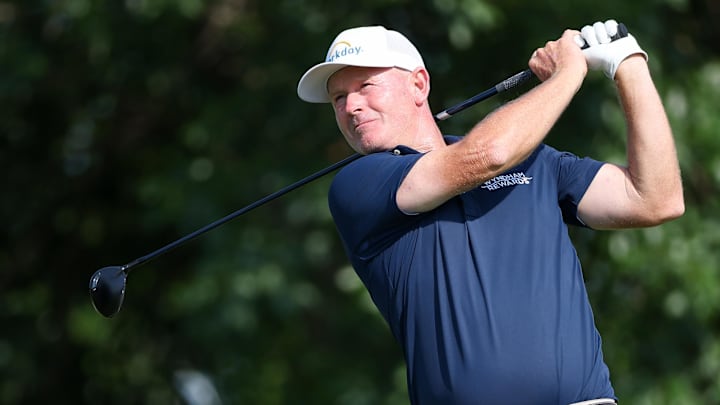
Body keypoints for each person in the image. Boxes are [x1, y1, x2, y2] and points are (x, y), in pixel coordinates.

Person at [296, 20, 684, 404]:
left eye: (364, 86)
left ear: (419, 84)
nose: (351, 106)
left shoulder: (532, 159)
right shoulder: (358, 185)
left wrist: (627, 63)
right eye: (338, 98)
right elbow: (487, 156)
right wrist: (567, 74)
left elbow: (655, 198)